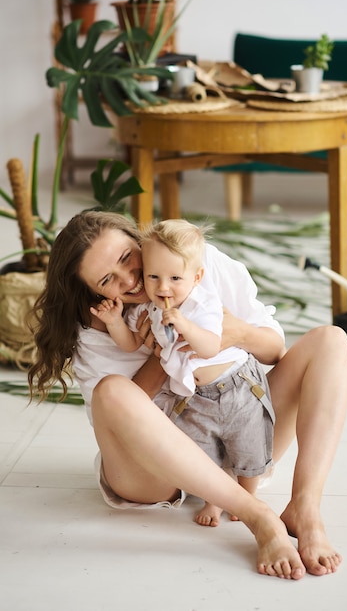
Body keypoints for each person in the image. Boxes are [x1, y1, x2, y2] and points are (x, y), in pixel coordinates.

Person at [28, 210, 347, 580]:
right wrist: (159, 356)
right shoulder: (98, 328)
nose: (130, 279)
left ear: (140, 240)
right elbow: (117, 415)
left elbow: (275, 352)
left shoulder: (196, 262)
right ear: (93, 291)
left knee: (332, 340)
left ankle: (305, 507)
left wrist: (235, 335)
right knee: (112, 391)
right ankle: (257, 515)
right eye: (108, 280)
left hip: (234, 436)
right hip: (152, 473)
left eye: (126, 258)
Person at [92, 218, 276, 526]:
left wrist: (184, 325)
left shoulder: (203, 304)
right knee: (205, 451)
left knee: (248, 445)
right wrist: (114, 323)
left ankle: (249, 498)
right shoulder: (149, 309)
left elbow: (208, 346)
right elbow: (131, 343)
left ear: (196, 276)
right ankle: (215, 499)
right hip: (194, 396)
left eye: (175, 278)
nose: (163, 287)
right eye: (153, 277)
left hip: (235, 386)